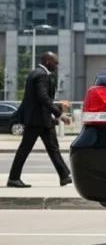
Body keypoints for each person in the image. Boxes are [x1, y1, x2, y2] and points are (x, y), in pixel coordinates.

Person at [7, 51, 73, 188]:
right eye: (55, 62)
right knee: (25, 148)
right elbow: (43, 97)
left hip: (43, 119)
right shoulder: (41, 75)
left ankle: (64, 176)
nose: (56, 65)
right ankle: (13, 178)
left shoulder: (36, 73)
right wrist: (59, 114)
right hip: (36, 120)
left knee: (53, 148)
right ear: (47, 61)